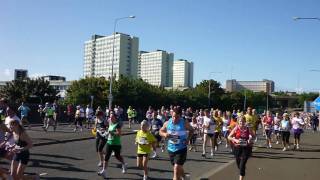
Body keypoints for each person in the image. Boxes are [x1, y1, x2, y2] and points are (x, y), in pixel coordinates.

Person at [160, 106, 193, 180]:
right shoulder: (168, 122)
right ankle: (184, 177)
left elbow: (192, 130)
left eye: (177, 117)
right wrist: (165, 134)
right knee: (178, 167)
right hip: (171, 149)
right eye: (173, 116)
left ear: (180, 116)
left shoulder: (184, 123)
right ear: (172, 114)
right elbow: (160, 131)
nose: (175, 119)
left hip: (181, 149)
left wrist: (188, 139)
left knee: (176, 168)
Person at [98, 111, 127, 178]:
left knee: (118, 156)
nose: (110, 119)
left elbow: (119, 134)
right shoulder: (110, 124)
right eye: (110, 117)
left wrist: (112, 133)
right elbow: (109, 132)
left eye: (112, 117)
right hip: (109, 142)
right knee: (106, 157)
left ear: (115, 118)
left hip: (116, 144)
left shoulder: (117, 125)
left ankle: (124, 164)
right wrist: (105, 133)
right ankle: (104, 171)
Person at [228, 115, 255, 180]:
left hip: (246, 148)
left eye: (243, 122)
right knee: (238, 164)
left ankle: (241, 177)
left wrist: (250, 140)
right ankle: (242, 169)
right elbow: (229, 137)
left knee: (242, 164)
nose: (241, 123)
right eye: (240, 122)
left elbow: (254, 136)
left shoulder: (248, 128)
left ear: (245, 122)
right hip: (237, 147)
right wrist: (236, 140)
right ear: (238, 122)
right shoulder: (236, 128)